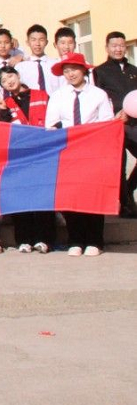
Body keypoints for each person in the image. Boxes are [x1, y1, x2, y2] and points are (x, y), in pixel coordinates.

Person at [46, 53, 117, 257]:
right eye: (66, 70)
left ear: (84, 70)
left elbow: (106, 122)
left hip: (92, 152)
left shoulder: (98, 95)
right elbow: (51, 124)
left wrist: (89, 135)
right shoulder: (59, 95)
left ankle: (95, 240)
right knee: (71, 196)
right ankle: (75, 239)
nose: (70, 74)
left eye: (74, 69)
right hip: (68, 152)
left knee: (93, 195)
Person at [0, 66, 55, 252]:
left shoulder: (41, 95)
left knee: (43, 196)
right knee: (22, 196)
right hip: (20, 158)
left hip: (44, 154)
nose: (9, 81)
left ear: (18, 75)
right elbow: (5, 131)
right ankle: (24, 239)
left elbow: (54, 120)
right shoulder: (7, 103)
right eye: (3, 81)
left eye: (10, 76)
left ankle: (45, 239)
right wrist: (3, 111)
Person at [93, 31, 137, 217]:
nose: (118, 49)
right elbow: (97, 97)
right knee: (119, 165)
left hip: (135, 123)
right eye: (114, 45)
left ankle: (128, 188)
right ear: (107, 48)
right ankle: (126, 204)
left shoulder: (134, 70)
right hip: (114, 124)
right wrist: (113, 115)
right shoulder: (99, 71)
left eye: (121, 45)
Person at [16, 24, 59, 94]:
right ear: (27, 42)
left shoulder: (55, 64)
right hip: (30, 104)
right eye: (33, 40)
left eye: (41, 40)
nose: (37, 44)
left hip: (53, 103)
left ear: (46, 42)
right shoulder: (20, 67)